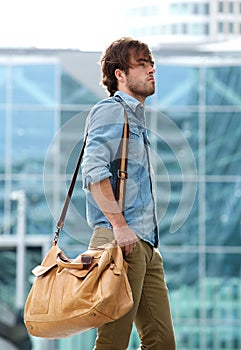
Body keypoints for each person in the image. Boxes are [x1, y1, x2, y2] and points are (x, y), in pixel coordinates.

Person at [81, 37, 176, 350]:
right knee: (112, 343)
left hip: (145, 244)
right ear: (119, 73)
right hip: (118, 240)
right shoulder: (111, 111)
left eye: (151, 64)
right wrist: (120, 227)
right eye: (142, 64)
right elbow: (93, 172)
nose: (152, 70)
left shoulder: (137, 119)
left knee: (161, 342)